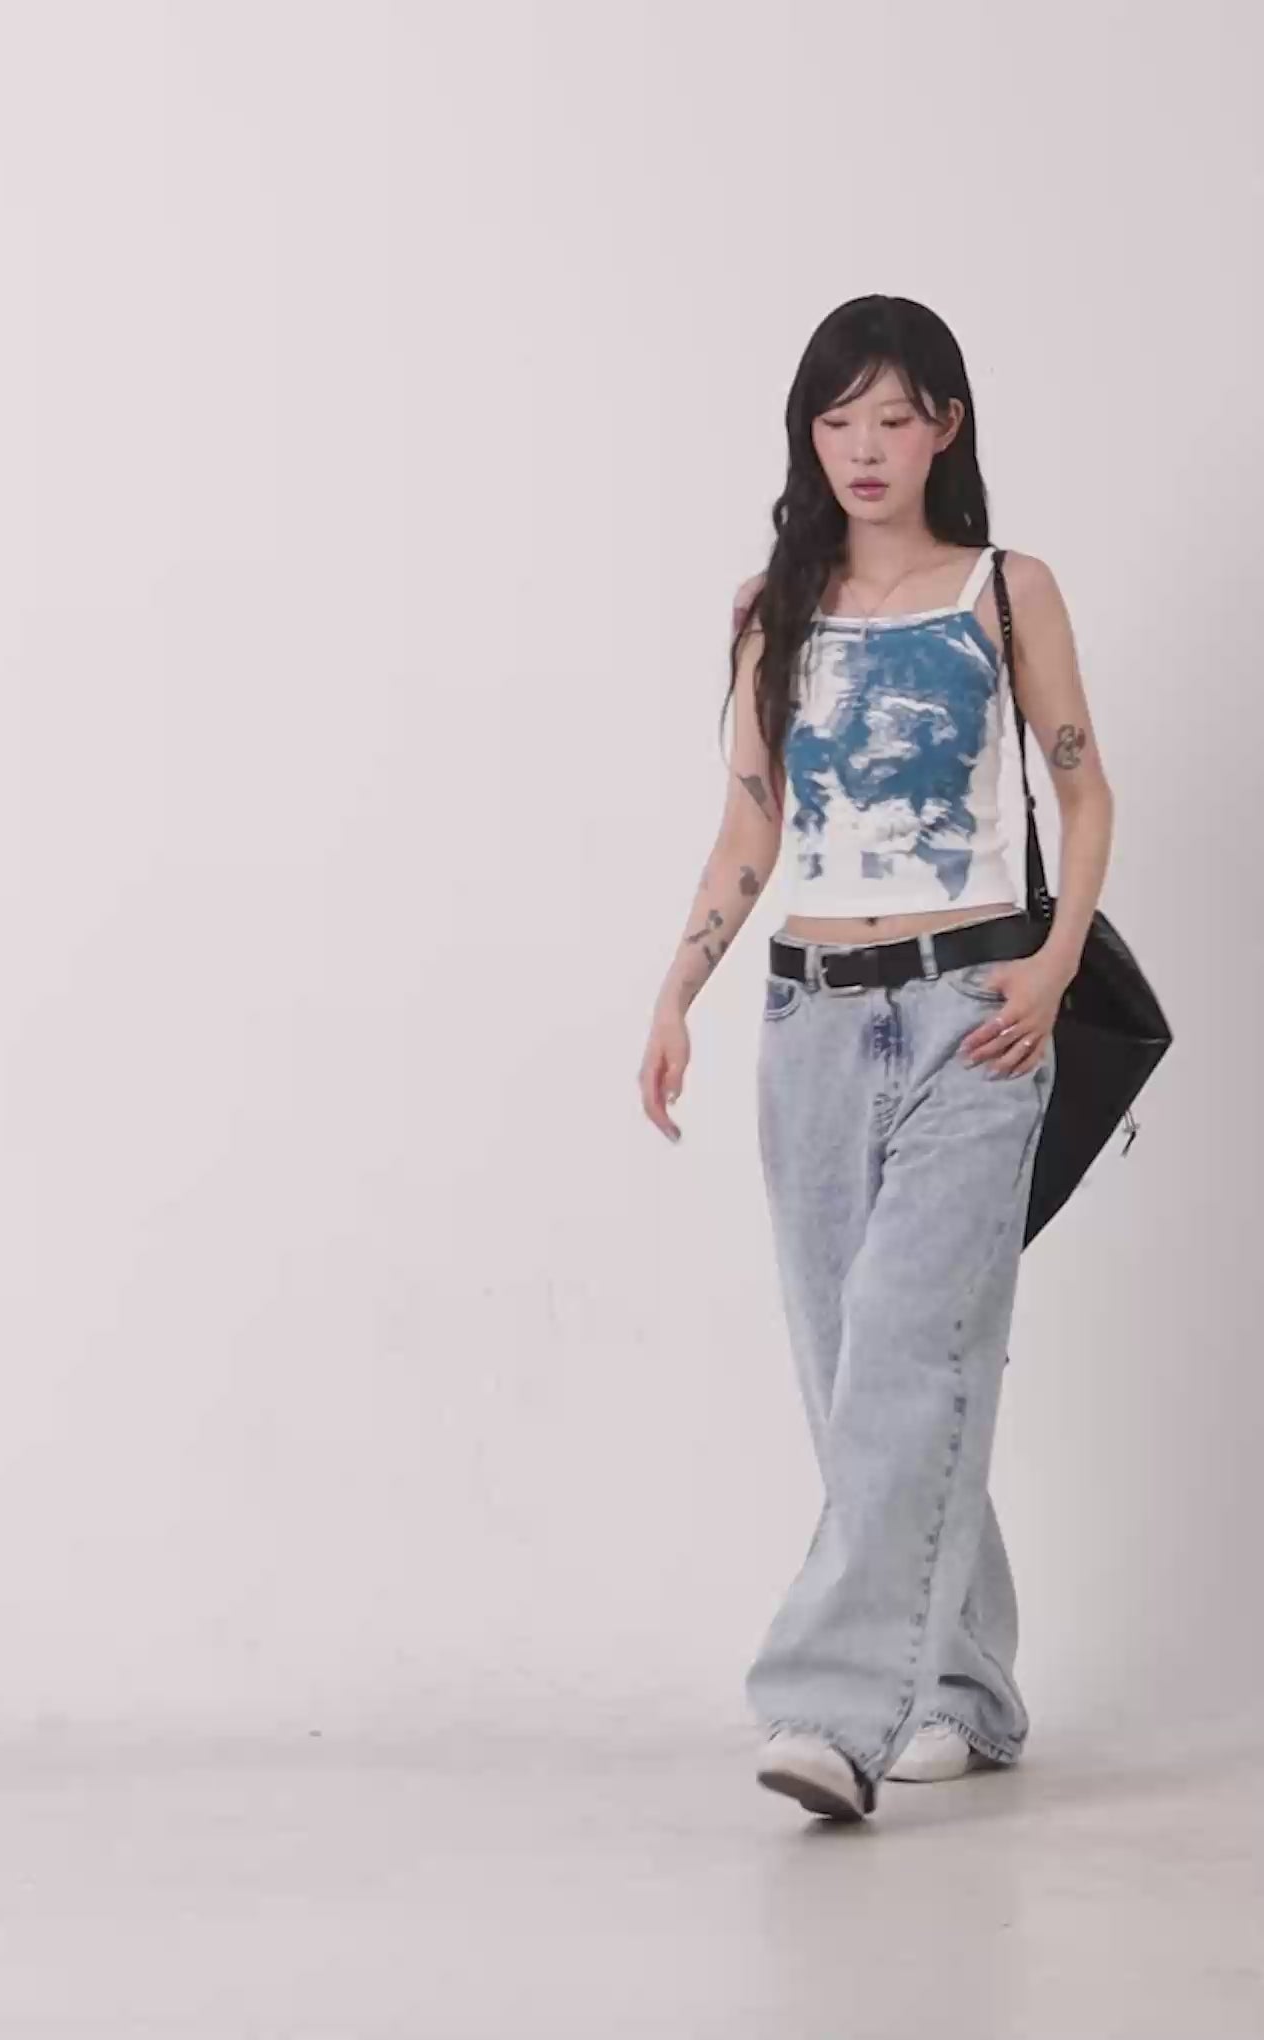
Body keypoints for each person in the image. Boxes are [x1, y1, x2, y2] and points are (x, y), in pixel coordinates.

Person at [636, 295, 1114, 1822]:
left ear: (945, 429)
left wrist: (1052, 961)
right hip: (810, 1024)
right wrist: (680, 985)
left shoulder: (1004, 591)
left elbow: (1084, 792)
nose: (863, 447)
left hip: (977, 1016)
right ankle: (967, 1690)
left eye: (893, 418)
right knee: (861, 1379)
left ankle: (832, 1715)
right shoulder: (771, 609)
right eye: (836, 419)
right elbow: (751, 821)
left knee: (909, 1361)